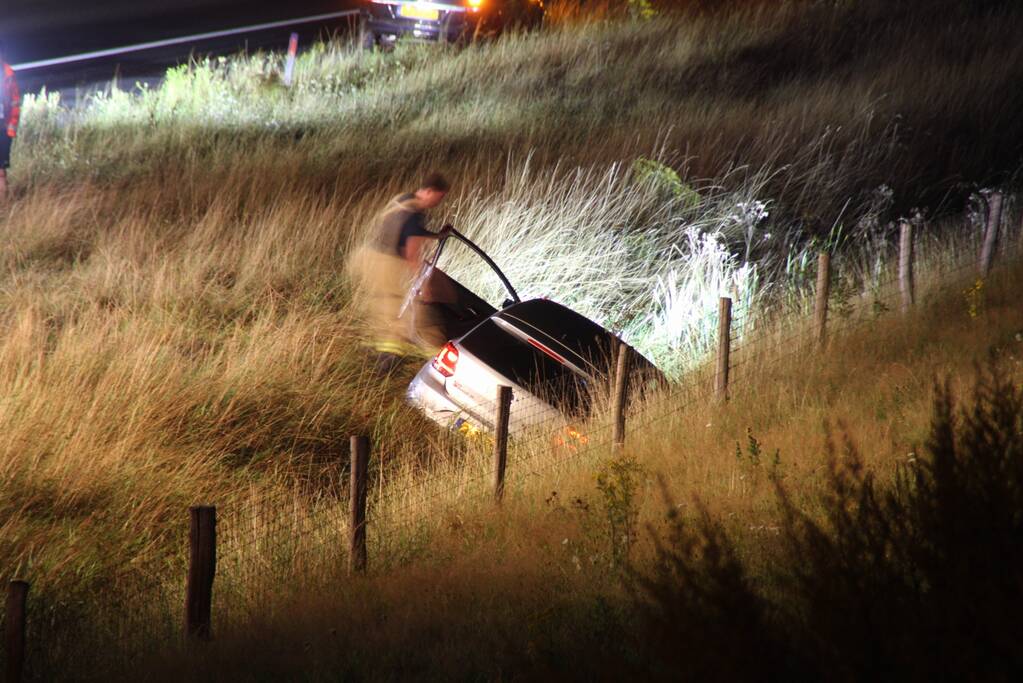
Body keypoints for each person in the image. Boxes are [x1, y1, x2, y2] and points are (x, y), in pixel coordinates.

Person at [352, 172, 453, 373]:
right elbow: (412, 252)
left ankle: (381, 355)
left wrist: (437, 235)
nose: (439, 202)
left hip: (367, 257)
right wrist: (424, 286)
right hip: (383, 263)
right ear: (429, 191)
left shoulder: (404, 199)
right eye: (439, 197)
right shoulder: (415, 214)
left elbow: (409, 233)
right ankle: (386, 366)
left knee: (384, 309)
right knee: (397, 312)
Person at [0, 43, 19, 205]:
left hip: (2, 129)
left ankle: (3, 210)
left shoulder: (8, 74)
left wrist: (11, 128)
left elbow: (15, 103)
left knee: (1, 173)